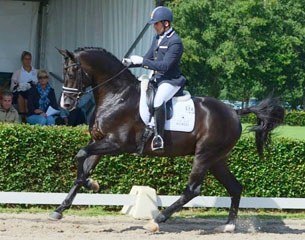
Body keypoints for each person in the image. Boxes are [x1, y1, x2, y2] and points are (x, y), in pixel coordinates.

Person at [122, 6, 186, 151]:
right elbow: (147, 58)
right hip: (157, 79)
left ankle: (159, 137)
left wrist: (142, 62)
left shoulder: (175, 42)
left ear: (166, 23)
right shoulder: (157, 38)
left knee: (158, 101)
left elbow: (164, 66)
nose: (154, 27)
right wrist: (129, 64)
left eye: (156, 24)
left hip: (171, 80)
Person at [10, 51, 38, 122]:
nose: (28, 61)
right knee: (21, 96)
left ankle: (27, 118)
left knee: (29, 96)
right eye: (26, 59)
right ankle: (24, 118)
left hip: (34, 93)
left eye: (29, 59)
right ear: (22, 60)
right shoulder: (17, 72)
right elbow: (12, 87)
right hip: (20, 93)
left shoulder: (36, 72)